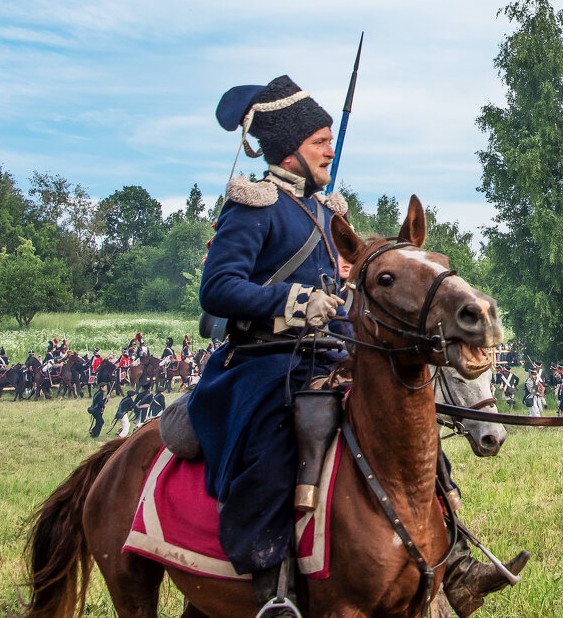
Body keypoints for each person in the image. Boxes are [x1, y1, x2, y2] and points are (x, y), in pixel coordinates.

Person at [187, 75, 523, 617]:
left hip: (325, 357)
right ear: (289, 147)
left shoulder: (324, 214)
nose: (330, 149)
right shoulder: (254, 206)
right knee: (277, 448)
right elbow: (218, 288)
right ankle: (275, 590)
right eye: (321, 140)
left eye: (329, 139)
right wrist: (291, 303)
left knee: (411, 436)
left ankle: (455, 562)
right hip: (262, 365)